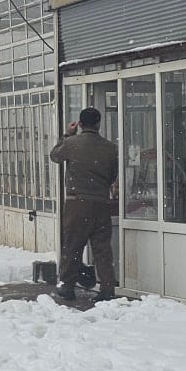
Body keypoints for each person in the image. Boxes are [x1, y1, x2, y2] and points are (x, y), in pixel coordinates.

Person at [50, 106, 120, 303]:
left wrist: (66, 135)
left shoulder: (72, 143)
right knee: (102, 249)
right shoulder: (110, 147)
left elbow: (55, 156)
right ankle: (107, 288)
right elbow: (113, 175)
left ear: (80, 124)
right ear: (99, 123)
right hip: (101, 203)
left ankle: (67, 286)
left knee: (73, 246)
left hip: (77, 204)